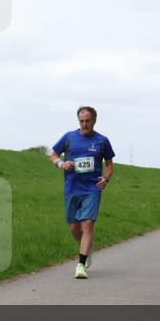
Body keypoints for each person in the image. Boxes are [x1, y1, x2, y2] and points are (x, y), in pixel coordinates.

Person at [49, 106, 115, 279]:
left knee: (87, 224)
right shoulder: (69, 137)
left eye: (88, 121)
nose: (84, 124)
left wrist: (105, 179)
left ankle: (81, 263)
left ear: (94, 120)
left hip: (92, 188)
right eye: (81, 121)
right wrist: (61, 164)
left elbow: (109, 165)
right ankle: (86, 249)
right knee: (73, 226)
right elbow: (53, 154)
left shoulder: (102, 141)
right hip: (72, 187)